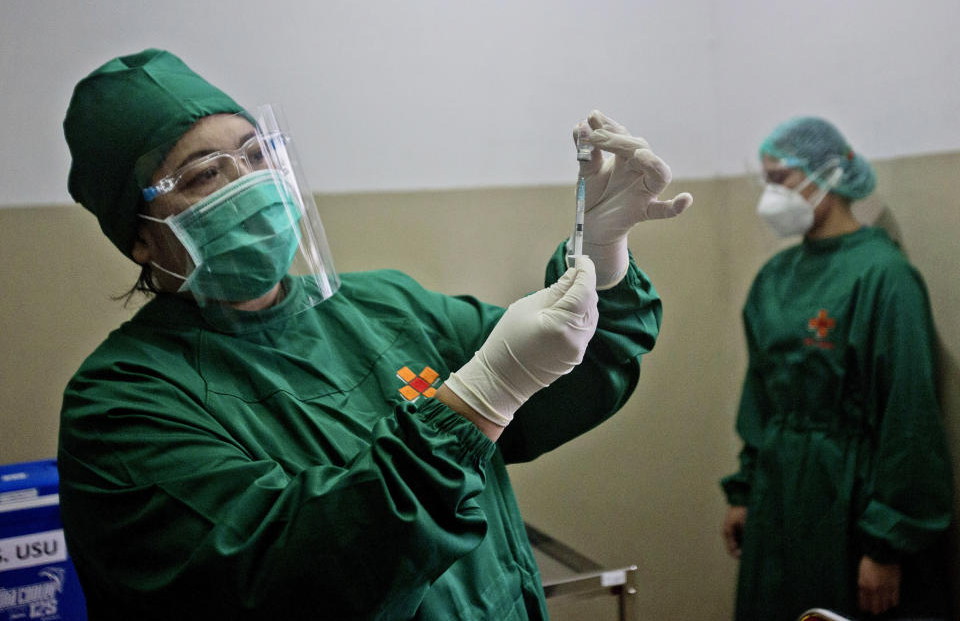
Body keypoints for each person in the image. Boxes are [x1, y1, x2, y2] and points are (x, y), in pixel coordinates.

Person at [58, 48, 692, 620]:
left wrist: (601, 263)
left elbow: (564, 377)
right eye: (203, 175)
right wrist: (476, 401)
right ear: (139, 234)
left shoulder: (386, 305)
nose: (249, 183)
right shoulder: (123, 406)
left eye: (256, 155)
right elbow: (292, 578)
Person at [720, 116, 954, 620]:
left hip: (850, 501)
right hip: (779, 498)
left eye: (781, 178)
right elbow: (761, 398)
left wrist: (887, 545)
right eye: (767, 181)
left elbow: (907, 418)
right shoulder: (774, 279)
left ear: (827, 174)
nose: (771, 195)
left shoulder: (884, 277)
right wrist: (745, 490)